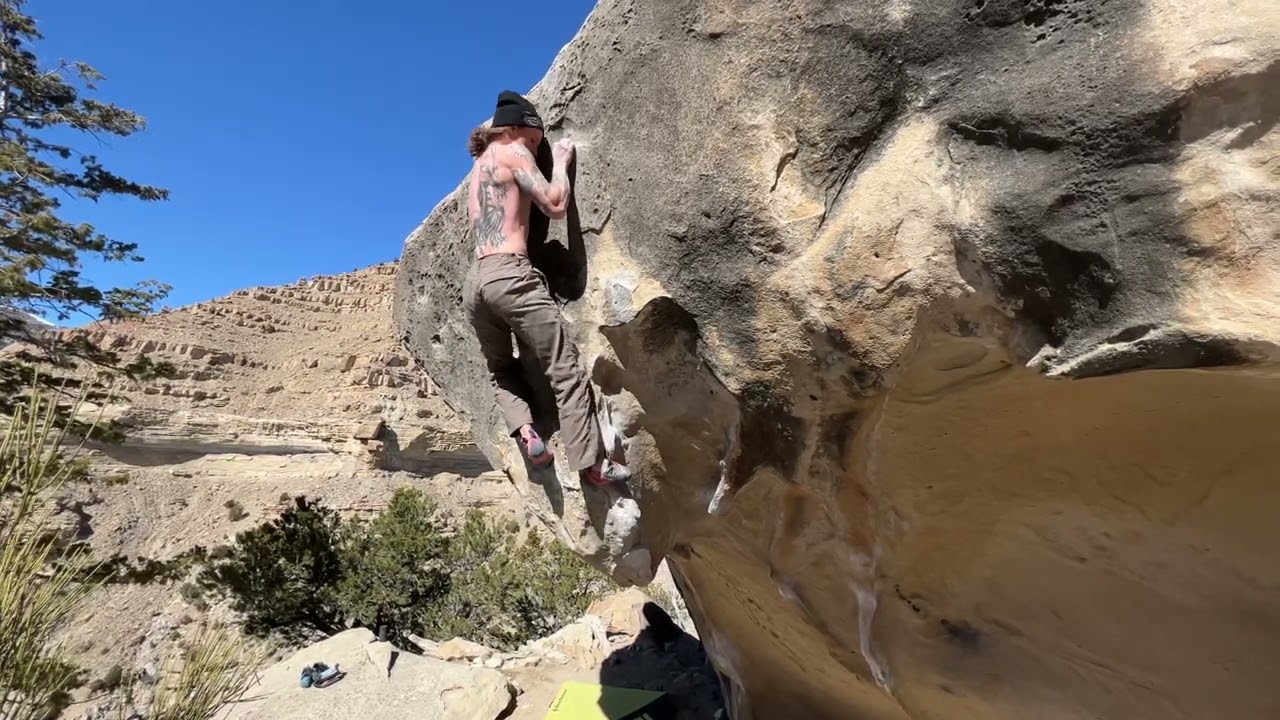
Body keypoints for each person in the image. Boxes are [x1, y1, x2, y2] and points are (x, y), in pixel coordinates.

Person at [460, 90, 630, 487]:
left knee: (501, 368)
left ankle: (526, 432)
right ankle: (592, 465)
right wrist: (563, 163)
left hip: (476, 282)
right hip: (511, 274)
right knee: (564, 368)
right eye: (536, 139)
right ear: (517, 128)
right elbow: (554, 204)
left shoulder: (480, 165)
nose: (537, 148)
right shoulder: (514, 151)